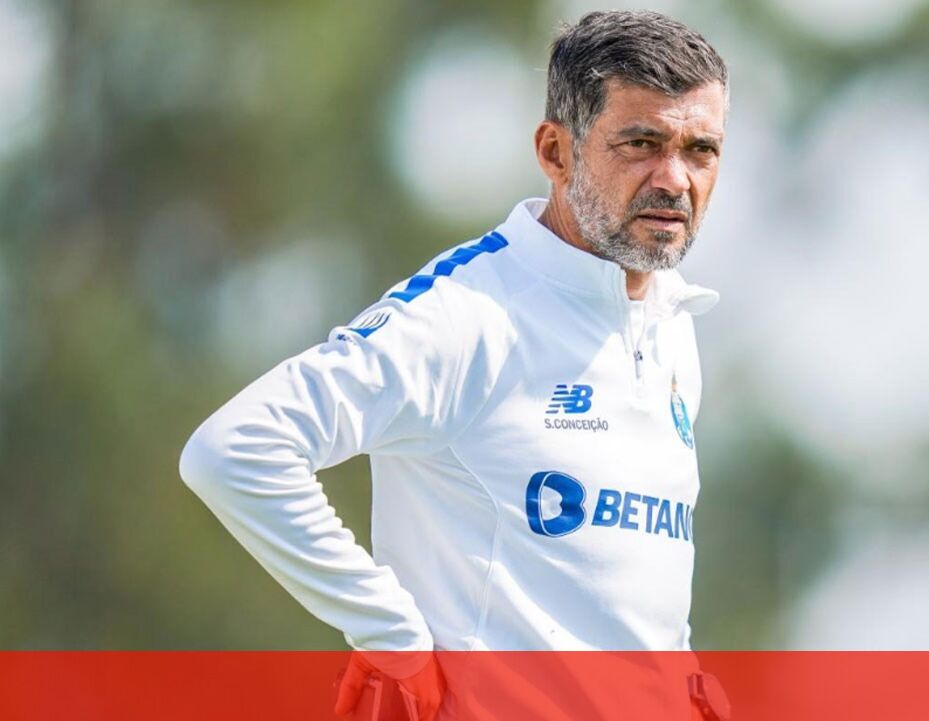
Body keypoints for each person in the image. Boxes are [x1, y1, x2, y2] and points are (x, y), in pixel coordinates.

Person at [179, 9, 729, 720]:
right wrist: (396, 640)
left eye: (700, 150)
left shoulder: (671, 320)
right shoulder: (467, 313)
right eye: (641, 143)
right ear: (556, 152)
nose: (674, 179)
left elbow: (617, 583)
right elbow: (235, 450)